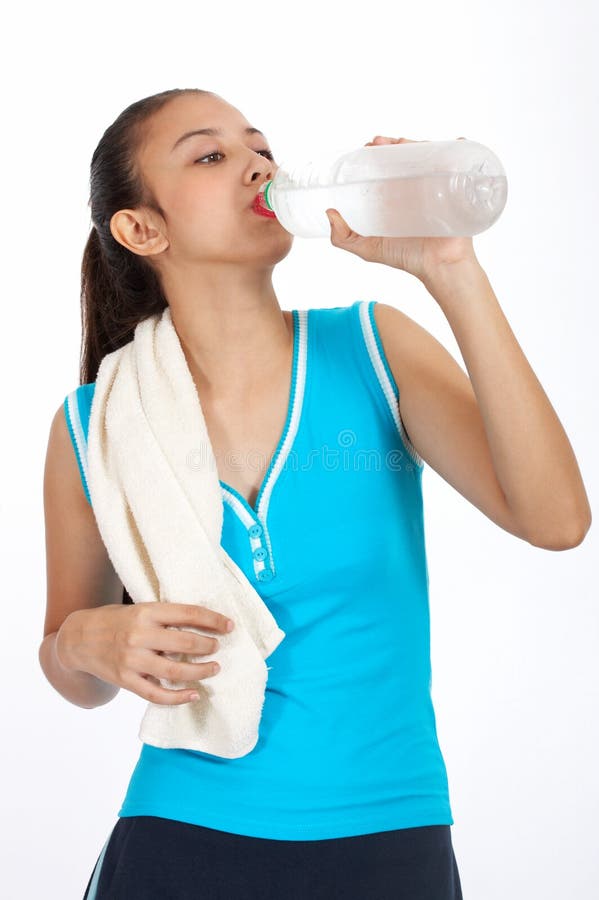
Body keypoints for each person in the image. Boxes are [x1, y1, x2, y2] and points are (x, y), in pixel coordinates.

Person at [40, 88, 592, 900]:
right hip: (177, 837)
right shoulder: (94, 425)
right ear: (141, 229)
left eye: (260, 148)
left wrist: (450, 268)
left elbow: (557, 520)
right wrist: (79, 645)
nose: (256, 165)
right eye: (211, 155)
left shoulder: (372, 348)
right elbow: (76, 673)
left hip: (388, 835)